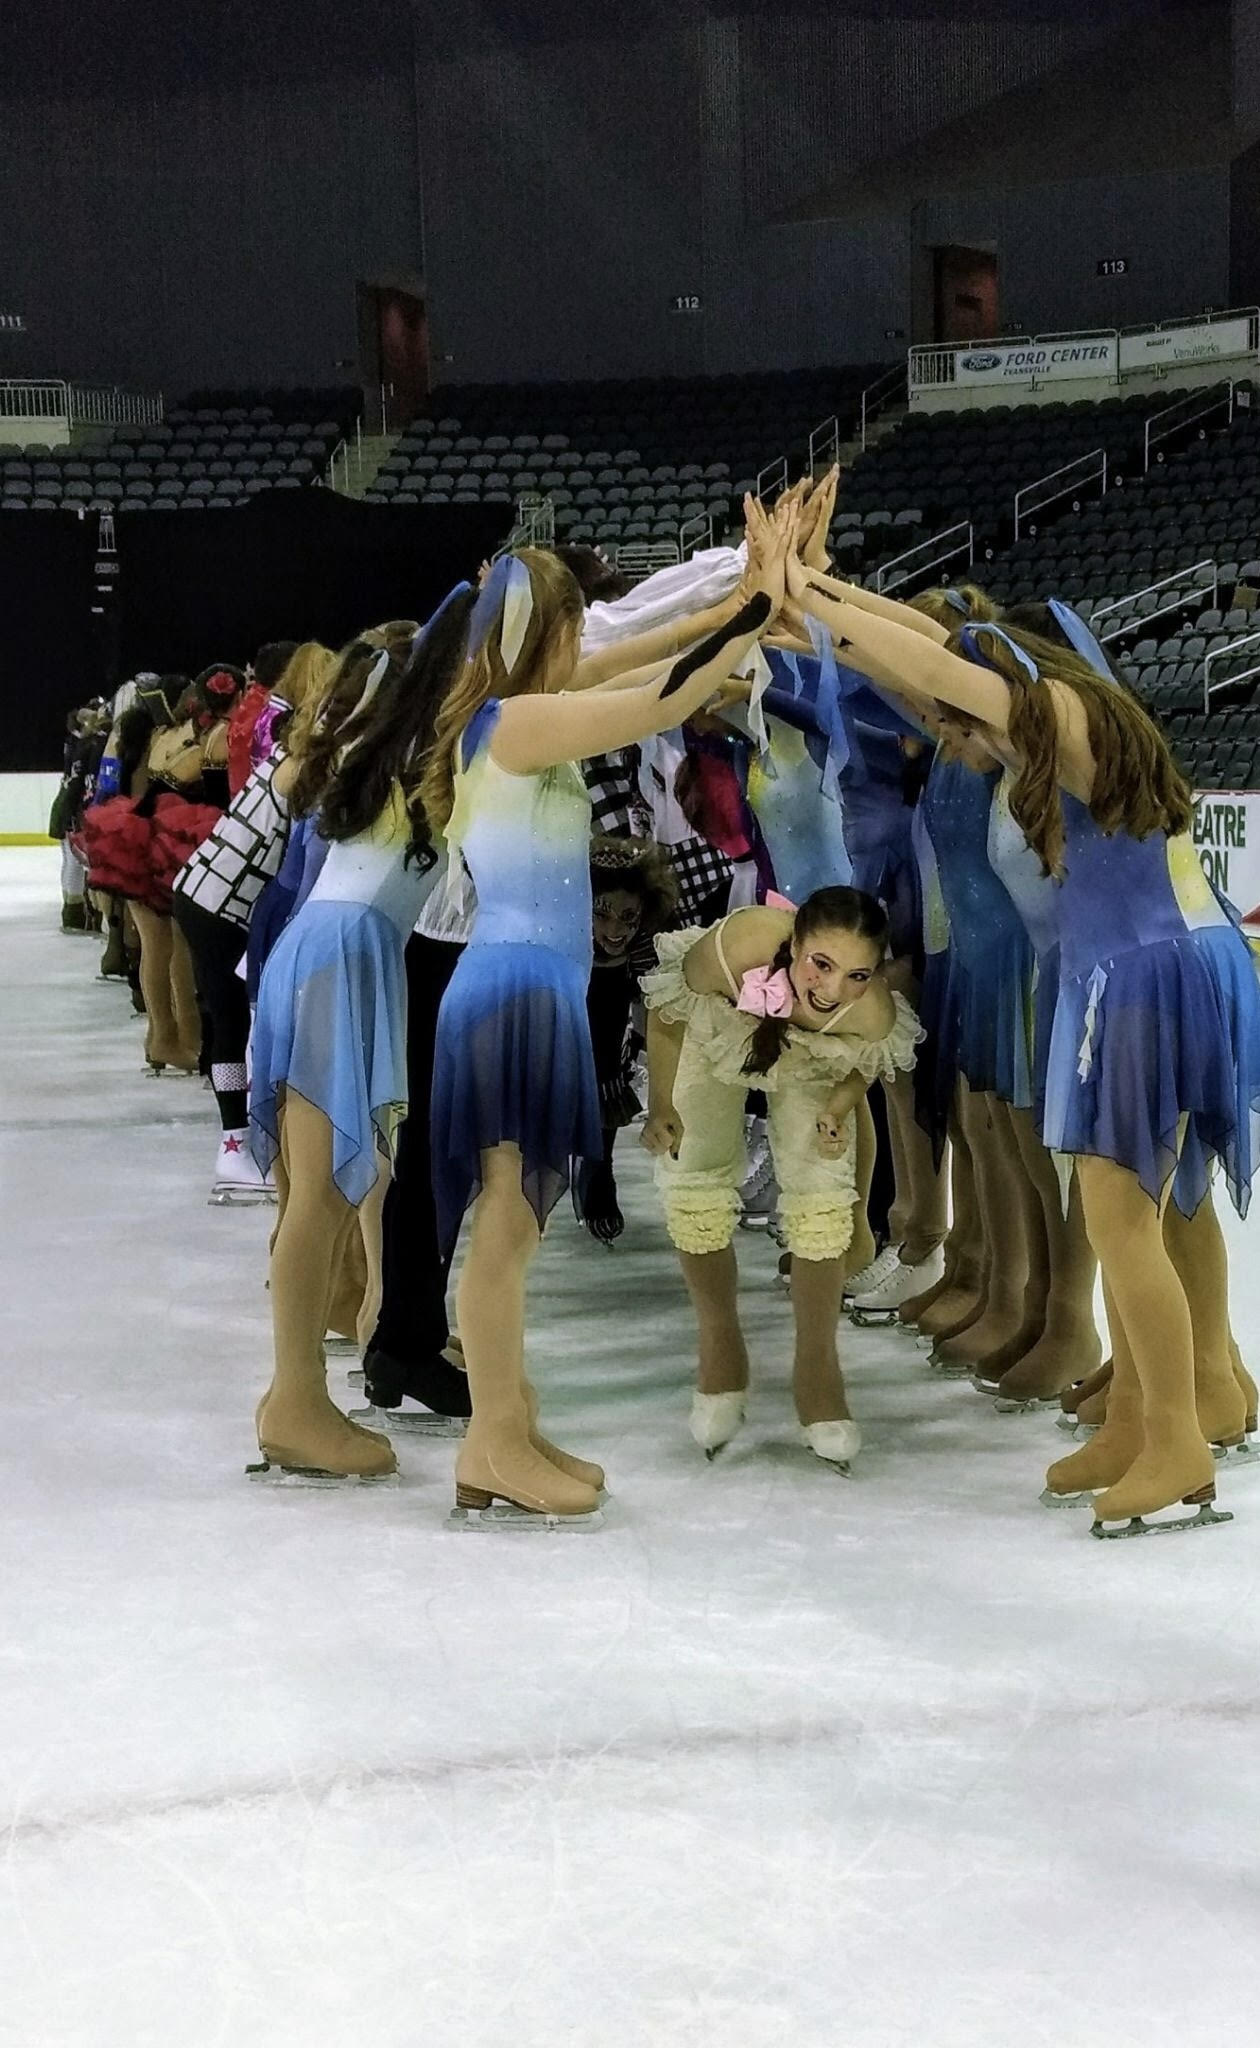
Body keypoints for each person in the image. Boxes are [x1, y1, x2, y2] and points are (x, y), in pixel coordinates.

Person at [789, 560, 1260, 1536]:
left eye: (965, 718)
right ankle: (1143, 1412)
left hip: (1137, 977)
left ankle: (1173, 1439)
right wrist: (817, 594)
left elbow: (936, 666)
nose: (953, 737)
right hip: (1133, 970)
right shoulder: (1058, 726)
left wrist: (806, 590)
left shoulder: (1058, 715)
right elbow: (928, 677)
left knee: (1123, 1219)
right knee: (1137, 1209)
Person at [421, 528, 786, 1525]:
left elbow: (631, 660)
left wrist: (731, 604)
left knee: (515, 1223)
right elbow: (661, 698)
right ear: (541, 632)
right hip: (517, 993)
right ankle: (491, 1435)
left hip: (525, 985)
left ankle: (508, 1418)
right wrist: (753, 614)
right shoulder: (518, 723)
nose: (589, 633)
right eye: (573, 619)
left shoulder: (515, 709)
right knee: (505, 1229)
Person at [249, 594, 473, 1484]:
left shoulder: (357, 757)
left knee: (317, 1193)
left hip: (327, 950)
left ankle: (292, 1394)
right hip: (346, 957)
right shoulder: (414, 757)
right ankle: (295, 1401)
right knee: (319, 1201)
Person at [641, 891, 920, 1466]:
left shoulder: (868, 1011)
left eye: (857, 974)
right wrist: (661, 1102)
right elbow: (668, 1009)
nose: (833, 989)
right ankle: (721, 1355)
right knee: (692, 1175)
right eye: (821, 964)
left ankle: (818, 1375)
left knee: (822, 1193)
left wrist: (837, 1109)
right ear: (794, 945)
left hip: (816, 1055)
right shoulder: (735, 948)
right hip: (713, 1019)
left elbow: (867, 1064)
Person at [577, 835, 679, 1244]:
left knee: (604, 1083)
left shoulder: (644, 949)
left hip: (611, 1021)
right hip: (562, 1007)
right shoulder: (559, 940)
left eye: (627, 917)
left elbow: (651, 1001)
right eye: (601, 915)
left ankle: (598, 1171)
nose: (614, 928)